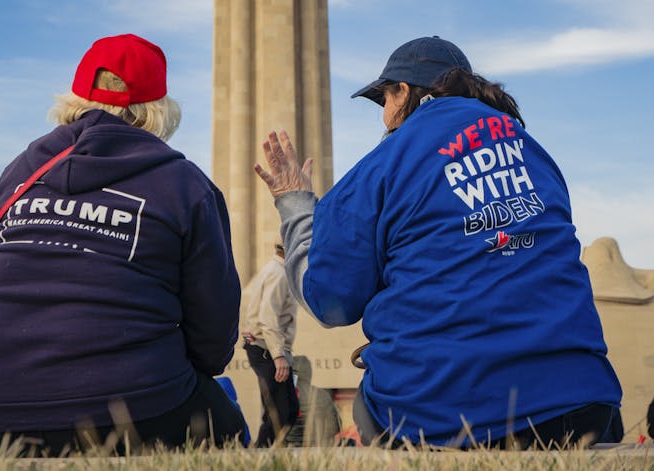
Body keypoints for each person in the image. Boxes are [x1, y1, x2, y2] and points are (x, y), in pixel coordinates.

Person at [254, 36, 623, 449]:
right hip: (581, 404)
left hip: (442, 412)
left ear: (405, 92)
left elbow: (328, 300)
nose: (385, 118)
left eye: (385, 101)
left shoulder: (383, 164)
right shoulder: (535, 153)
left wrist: (295, 205)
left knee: (368, 407)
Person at [0, 34, 245, 456]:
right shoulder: (184, 184)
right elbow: (214, 330)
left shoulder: (16, 176)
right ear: (157, 111)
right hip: (135, 409)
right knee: (230, 428)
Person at [241, 242, 299, 446]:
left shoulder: (277, 271)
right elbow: (268, 317)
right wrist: (279, 356)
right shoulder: (279, 274)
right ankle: (260, 456)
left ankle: (268, 452)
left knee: (289, 410)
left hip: (267, 348)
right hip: (265, 349)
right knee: (278, 414)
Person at [285, 355, 341, 447]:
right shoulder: (322, 394)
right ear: (309, 372)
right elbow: (336, 424)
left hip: (289, 447)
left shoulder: (285, 395)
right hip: (317, 446)